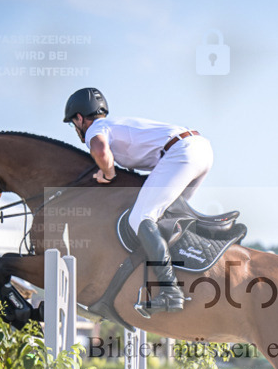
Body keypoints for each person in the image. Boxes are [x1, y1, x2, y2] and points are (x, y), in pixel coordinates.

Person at [63, 87, 213, 315]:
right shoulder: (115, 125)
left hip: (181, 152)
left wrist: (109, 173)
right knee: (166, 219)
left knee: (140, 218)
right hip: (200, 149)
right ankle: (189, 269)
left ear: (80, 118)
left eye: (74, 123)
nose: (76, 128)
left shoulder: (97, 128)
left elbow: (100, 150)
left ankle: (171, 291)